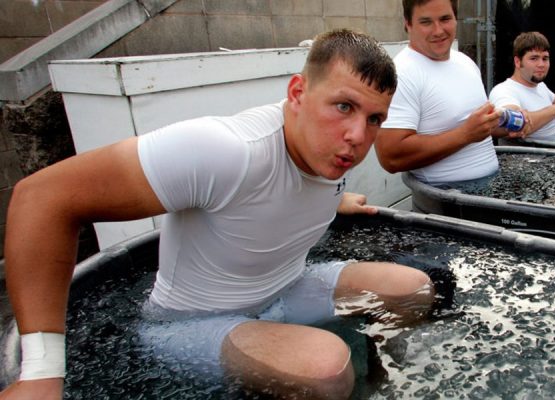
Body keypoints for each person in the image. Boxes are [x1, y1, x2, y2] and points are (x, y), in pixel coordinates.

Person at [0, 29, 437, 400]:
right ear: (297, 93)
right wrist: (40, 372)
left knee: (412, 290)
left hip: (288, 288)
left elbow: (278, 196)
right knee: (326, 368)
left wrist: (337, 200)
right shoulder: (226, 150)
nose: (358, 136)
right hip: (192, 324)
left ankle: (377, 377)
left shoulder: (330, 151)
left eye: (374, 118)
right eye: (343, 106)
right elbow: (42, 198)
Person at [376, 0, 516, 185]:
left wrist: (507, 125)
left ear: (456, 19)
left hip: (490, 187)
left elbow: (476, 128)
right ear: (407, 24)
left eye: (445, 19)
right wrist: (465, 134)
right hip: (444, 196)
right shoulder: (401, 73)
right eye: (426, 22)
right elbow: (391, 157)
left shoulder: (465, 62)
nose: (438, 31)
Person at [488, 31, 555, 143]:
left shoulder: (540, 85)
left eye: (545, 58)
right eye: (534, 58)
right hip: (530, 153)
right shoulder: (504, 91)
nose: (541, 64)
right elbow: (509, 124)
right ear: (517, 62)